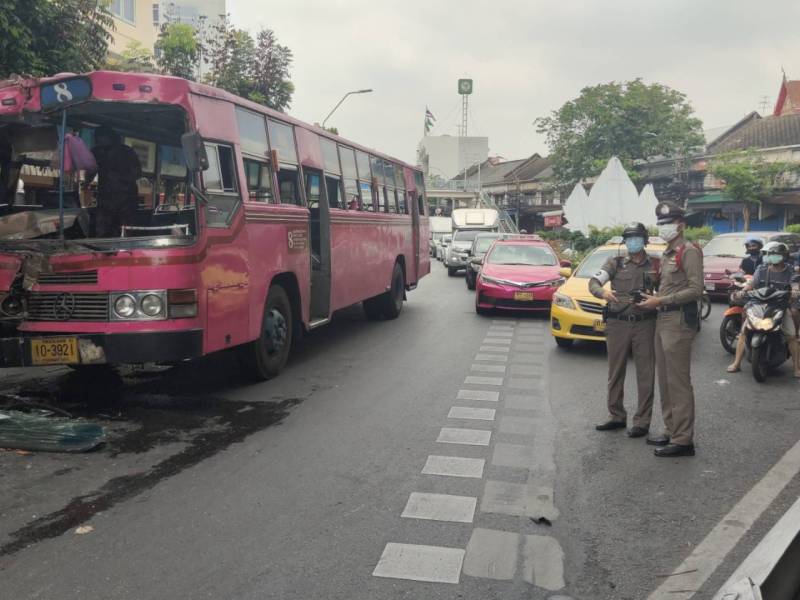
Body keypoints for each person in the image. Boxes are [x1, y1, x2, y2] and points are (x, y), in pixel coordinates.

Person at [638, 202, 703, 458]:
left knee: (678, 382)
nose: (664, 228)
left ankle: (684, 439)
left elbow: (696, 290)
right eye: (661, 224)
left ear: (681, 225)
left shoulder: (689, 252)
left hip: (678, 322)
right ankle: (671, 429)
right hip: (662, 320)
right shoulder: (666, 254)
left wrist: (660, 301)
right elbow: (669, 287)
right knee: (664, 380)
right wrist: (651, 298)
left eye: (668, 223)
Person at [589, 222, 659, 438]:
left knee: (645, 373)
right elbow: (593, 283)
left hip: (645, 323)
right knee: (615, 371)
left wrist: (657, 300)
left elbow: (666, 289)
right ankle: (616, 416)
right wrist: (603, 293)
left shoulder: (657, 264)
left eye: (636, 238)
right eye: (629, 238)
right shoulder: (615, 263)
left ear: (645, 240)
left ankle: (642, 421)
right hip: (617, 323)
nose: (632, 242)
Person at [726, 241, 800, 377]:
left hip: (781, 306)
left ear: (784, 256)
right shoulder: (762, 268)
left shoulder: (791, 271)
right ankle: (736, 363)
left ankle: (796, 368)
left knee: (791, 335)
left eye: (775, 254)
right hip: (760, 304)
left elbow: (795, 284)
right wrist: (743, 291)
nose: (771, 257)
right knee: (744, 331)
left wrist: (795, 290)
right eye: (769, 254)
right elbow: (751, 283)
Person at [89, 126, 141, 237]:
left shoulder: (126, 152)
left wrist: (120, 177)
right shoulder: (96, 152)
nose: (98, 140)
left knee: (125, 230)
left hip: (126, 200)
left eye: (100, 137)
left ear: (109, 137)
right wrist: (86, 182)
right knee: (103, 231)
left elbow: (137, 173)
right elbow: (91, 169)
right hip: (105, 200)